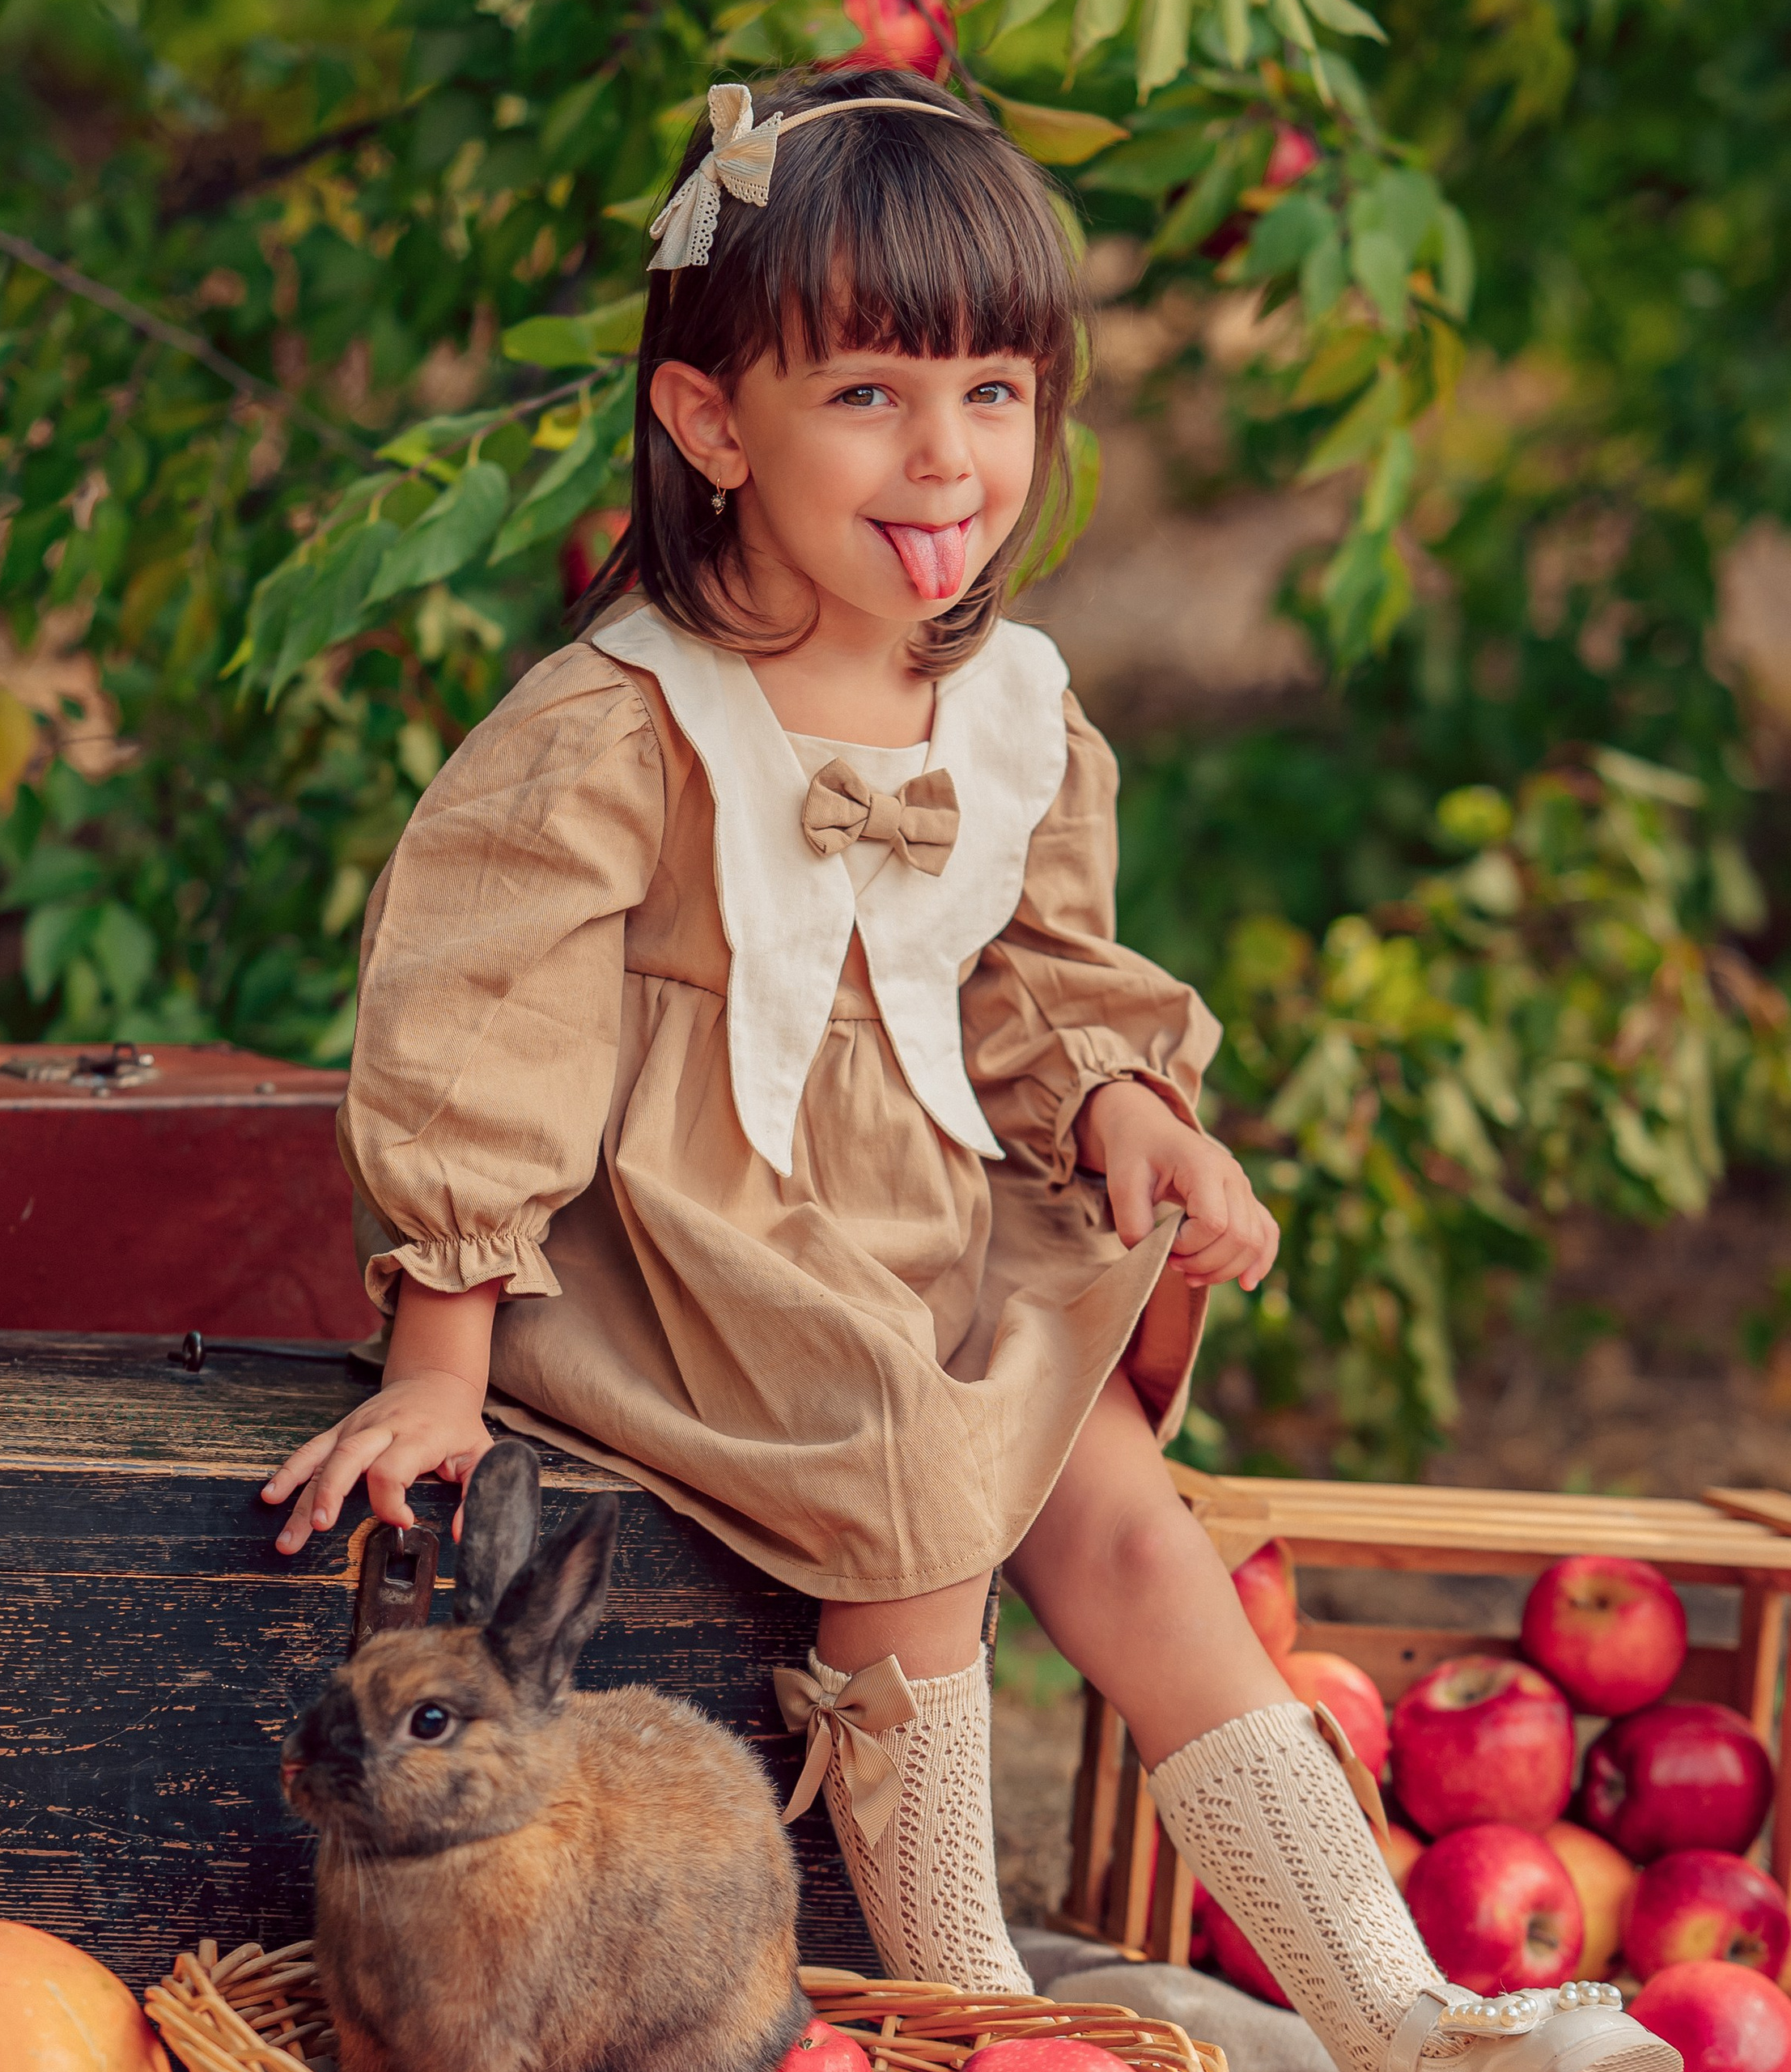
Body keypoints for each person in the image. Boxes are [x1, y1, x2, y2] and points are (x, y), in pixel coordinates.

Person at [264, 70, 1671, 2072]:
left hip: (918, 1207)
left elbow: (1031, 970)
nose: (945, 456)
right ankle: (975, 2015)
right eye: (866, 395)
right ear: (705, 420)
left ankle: (1397, 2003)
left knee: (1116, 1503)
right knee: (923, 1488)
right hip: (690, 1244)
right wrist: (438, 1359)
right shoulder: (615, 722)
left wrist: (1120, 1103)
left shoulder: (1007, 709)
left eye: (994, 392)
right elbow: (481, 1039)